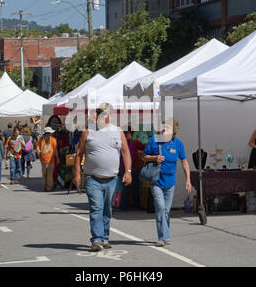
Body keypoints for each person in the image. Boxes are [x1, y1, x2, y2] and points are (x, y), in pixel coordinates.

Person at [73, 103, 132, 252]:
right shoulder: (88, 132)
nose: (101, 116)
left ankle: (105, 238)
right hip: (93, 178)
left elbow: (125, 152)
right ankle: (97, 239)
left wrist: (128, 171)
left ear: (110, 115)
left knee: (107, 210)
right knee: (96, 208)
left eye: (104, 113)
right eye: (99, 112)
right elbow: (78, 153)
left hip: (112, 179)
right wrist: (77, 174)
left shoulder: (118, 132)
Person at [142, 118, 192, 247]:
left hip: (170, 182)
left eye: (167, 128)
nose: (164, 130)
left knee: (166, 210)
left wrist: (188, 180)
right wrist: (154, 157)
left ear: (173, 131)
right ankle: (163, 237)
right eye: (163, 127)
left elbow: (184, 162)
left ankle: (164, 234)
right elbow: (143, 156)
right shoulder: (154, 141)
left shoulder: (178, 144)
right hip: (156, 180)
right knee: (160, 207)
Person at [120, 129, 146, 211]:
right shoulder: (135, 142)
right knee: (135, 186)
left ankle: (124, 205)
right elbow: (145, 148)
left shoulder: (121, 143)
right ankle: (136, 204)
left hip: (124, 166)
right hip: (135, 166)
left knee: (125, 187)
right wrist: (139, 152)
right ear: (131, 134)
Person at [37, 127, 59, 191]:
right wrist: (57, 158)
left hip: (43, 160)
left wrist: (40, 157)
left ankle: (45, 186)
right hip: (51, 160)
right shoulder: (53, 140)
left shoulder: (40, 140)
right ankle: (49, 187)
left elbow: (38, 150)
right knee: (50, 174)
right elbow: (55, 150)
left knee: (44, 175)